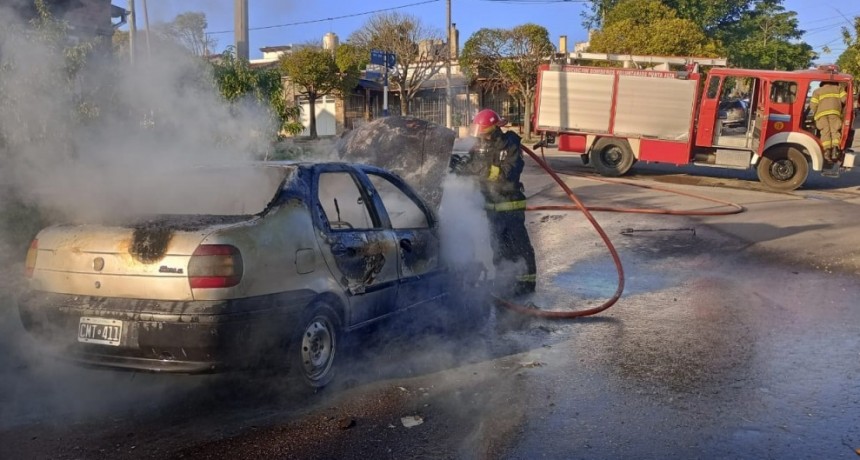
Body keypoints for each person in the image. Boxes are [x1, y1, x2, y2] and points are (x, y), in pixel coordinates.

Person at [449, 108, 537, 296]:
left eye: (486, 135)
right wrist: (455, 167)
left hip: (511, 207)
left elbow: (508, 174)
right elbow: (468, 168)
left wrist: (482, 171)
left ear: (496, 129)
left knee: (519, 249)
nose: (483, 138)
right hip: (491, 209)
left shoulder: (510, 144)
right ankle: (504, 283)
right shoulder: (478, 146)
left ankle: (526, 287)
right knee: (498, 251)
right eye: (481, 135)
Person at [810, 81, 847, 162]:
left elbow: (813, 106)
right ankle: (835, 151)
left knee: (825, 132)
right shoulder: (839, 89)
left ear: (822, 83)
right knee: (835, 131)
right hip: (835, 113)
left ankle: (827, 152)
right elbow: (845, 100)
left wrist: (813, 117)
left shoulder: (817, 91)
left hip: (821, 115)